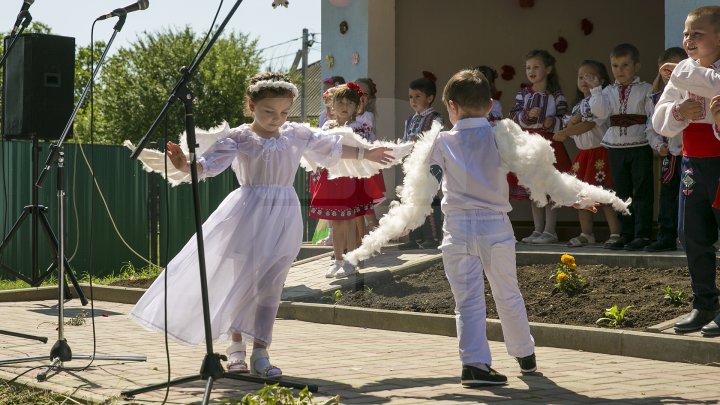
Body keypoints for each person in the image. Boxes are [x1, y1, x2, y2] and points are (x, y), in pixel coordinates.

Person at [130, 72, 398, 377]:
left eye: (283, 112)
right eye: (269, 112)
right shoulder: (239, 137)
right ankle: (235, 349)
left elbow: (333, 149)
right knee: (240, 280)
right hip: (247, 213)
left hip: (284, 215)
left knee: (271, 286)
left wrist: (367, 152)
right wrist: (184, 165)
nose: (277, 119)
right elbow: (206, 167)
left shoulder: (296, 134)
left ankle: (261, 350)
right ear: (250, 105)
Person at [431, 69, 536, 386]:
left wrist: (406, 213)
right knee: (508, 292)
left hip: (458, 227)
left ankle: (474, 363)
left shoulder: (442, 140)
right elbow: (533, 169)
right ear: (490, 105)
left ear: (451, 106)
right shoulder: (500, 136)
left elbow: (428, 182)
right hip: (495, 227)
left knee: (467, 301)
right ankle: (524, 353)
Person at [652, 5, 720, 336]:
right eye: (685, 34)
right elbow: (660, 121)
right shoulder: (684, 70)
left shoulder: (683, 71)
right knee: (691, 234)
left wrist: (682, 74)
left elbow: (709, 82)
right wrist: (679, 110)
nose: (688, 40)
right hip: (693, 163)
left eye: (697, 34)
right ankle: (704, 303)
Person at [587, 43, 656, 251]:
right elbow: (600, 114)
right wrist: (595, 90)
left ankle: (642, 234)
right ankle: (626, 233)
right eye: (615, 66)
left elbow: (652, 117)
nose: (619, 70)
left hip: (640, 143)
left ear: (636, 66)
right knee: (621, 191)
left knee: (643, 190)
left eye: (625, 65)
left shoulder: (645, 89)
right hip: (616, 146)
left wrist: (655, 141)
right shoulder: (607, 91)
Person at [311, 82, 378, 278]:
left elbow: (363, 151)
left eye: (350, 102)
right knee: (335, 221)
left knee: (348, 221)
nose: (344, 106)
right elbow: (321, 150)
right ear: (332, 104)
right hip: (331, 178)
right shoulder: (326, 127)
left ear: (357, 107)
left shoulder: (358, 128)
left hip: (349, 179)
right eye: (340, 101)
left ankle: (350, 259)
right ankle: (337, 259)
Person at [554, 60, 621, 247]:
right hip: (584, 156)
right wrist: (571, 123)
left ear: (602, 80)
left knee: (605, 194)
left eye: (590, 76)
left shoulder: (600, 101)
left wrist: (565, 132)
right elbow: (573, 123)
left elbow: (590, 124)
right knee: (581, 197)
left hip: (601, 153)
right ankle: (586, 233)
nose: (584, 80)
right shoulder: (578, 105)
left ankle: (615, 233)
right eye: (581, 76)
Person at [510, 50, 571, 244]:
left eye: (536, 67)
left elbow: (566, 120)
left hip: (550, 146)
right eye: (528, 67)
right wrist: (527, 116)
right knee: (534, 188)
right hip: (529, 145)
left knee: (550, 188)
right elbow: (513, 117)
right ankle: (537, 229)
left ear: (549, 69)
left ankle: (550, 230)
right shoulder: (523, 94)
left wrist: (552, 122)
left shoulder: (557, 96)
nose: (531, 71)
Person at [646, 47, 688, 252]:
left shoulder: (694, 93)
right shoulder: (658, 99)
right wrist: (658, 145)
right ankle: (666, 236)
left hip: (691, 155)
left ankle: (693, 238)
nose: (667, 77)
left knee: (691, 196)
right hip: (669, 156)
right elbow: (652, 126)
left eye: (672, 71)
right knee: (667, 197)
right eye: (664, 72)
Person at [399, 71, 445, 249]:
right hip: (413, 165)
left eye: (418, 96)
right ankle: (414, 237)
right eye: (410, 96)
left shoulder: (435, 118)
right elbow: (405, 140)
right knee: (411, 198)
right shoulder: (410, 119)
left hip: (428, 166)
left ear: (430, 98)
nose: (413, 100)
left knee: (428, 200)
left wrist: (419, 141)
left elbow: (435, 139)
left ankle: (432, 237)